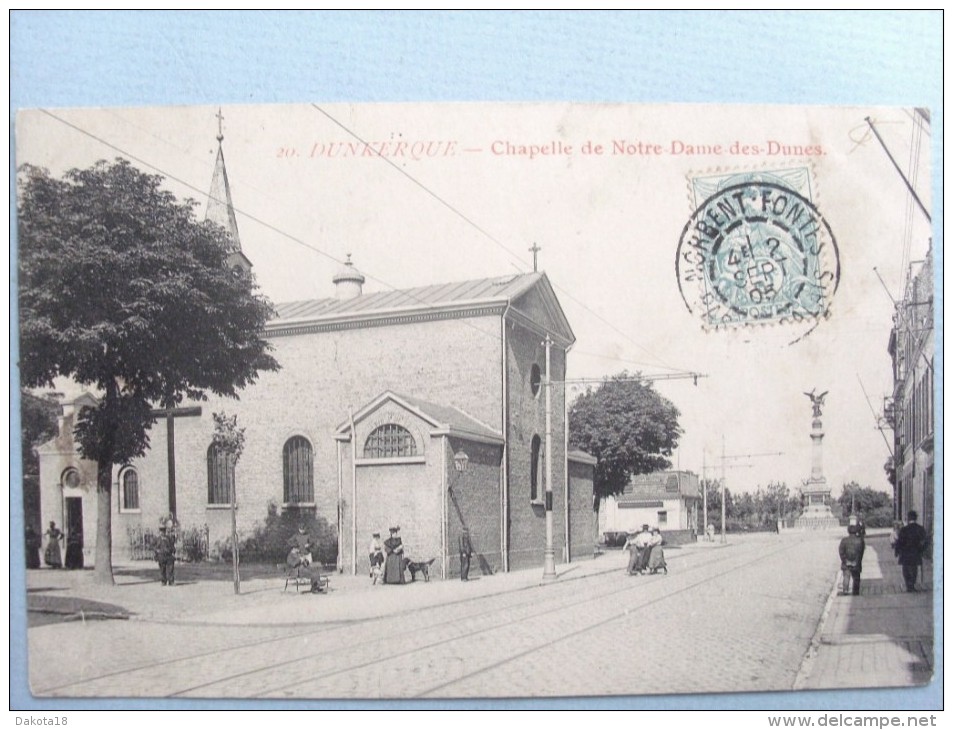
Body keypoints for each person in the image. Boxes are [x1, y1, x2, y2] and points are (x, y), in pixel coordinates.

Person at [895, 510, 928, 592]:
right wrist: (922, 550)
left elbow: (899, 541)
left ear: (908, 518)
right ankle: (912, 585)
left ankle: (908, 585)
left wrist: (897, 551)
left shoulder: (904, 529)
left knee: (905, 568)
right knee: (914, 568)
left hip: (905, 552)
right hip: (915, 552)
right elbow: (925, 541)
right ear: (916, 518)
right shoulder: (920, 528)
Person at [838, 523, 865, 596]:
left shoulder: (844, 540)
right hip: (856, 561)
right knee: (856, 577)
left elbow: (841, 551)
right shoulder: (860, 541)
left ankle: (845, 590)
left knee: (846, 576)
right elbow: (861, 552)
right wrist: (858, 560)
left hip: (846, 561)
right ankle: (856, 591)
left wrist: (845, 560)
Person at [154, 521, 176, 586]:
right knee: (162, 569)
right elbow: (154, 547)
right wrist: (157, 551)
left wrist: (173, 551)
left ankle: (171, 581)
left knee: (170, 569)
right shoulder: (157, 539)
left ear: (165, 531)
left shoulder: (168, 538)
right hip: (161, 556)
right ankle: (163, 581)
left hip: (168, 555)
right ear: (159, 532)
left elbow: (172, 546)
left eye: (163, 531)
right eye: (161, 531)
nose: (162, 532)